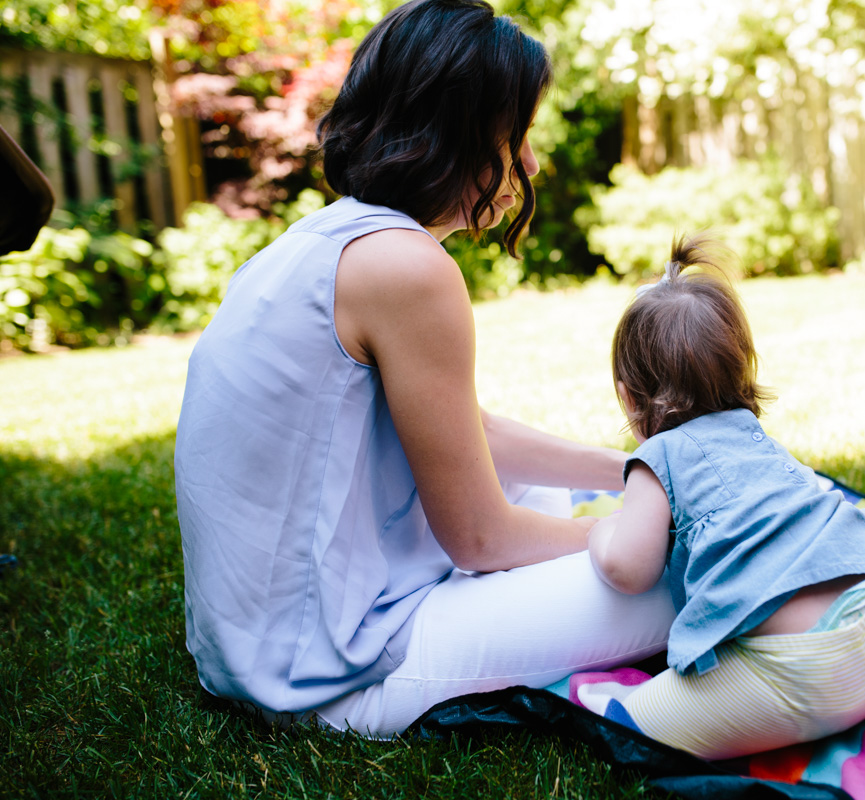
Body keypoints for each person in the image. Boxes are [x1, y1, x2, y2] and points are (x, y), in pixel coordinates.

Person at [174, 0, 673, 738]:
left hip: (253, 643)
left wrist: (643, 470)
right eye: (518, 134)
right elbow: (479, 538)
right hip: (325, 675)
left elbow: (472, 434)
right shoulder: (408, 266)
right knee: (692, 569)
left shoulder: (322, 240)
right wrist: (648, 530)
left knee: (553, 489)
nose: (532, 163)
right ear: (455, 131)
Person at [583, 235, 865, 760]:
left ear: (629, 397)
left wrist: (601, 530)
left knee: (625, 726)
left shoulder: (658, 458)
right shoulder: (754, 436)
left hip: (805, 674)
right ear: (741, 370)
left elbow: (628, 568)